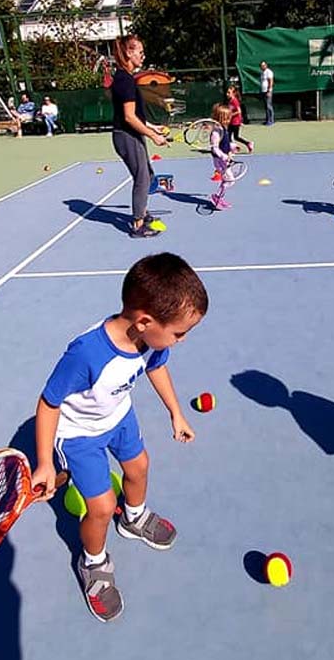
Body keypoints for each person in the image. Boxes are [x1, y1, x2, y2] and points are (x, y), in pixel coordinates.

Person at [30, 253, 208, 622]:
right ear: (144, 321)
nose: (183, 340)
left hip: (119, 416)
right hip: (79, 435)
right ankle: (93, 564)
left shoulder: (149, 343)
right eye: (179, 332)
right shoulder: (86, 354)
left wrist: (175, 412)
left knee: (140, 467)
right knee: (99, 506)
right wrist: (46, 462)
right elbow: (49, 403)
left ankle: (134, 518)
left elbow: (157, 370)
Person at [110, 35, 167, 238]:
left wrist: (152, 127)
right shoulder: (124, 80)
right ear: (128, 53)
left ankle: (142, 212)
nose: (143, 56)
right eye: (140, 52)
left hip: (131, 133)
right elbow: (128, 117)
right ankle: (138, 225)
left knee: (147, 174)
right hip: (126, 136)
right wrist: (153, 136)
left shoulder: (126, 78)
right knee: (142, 178)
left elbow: (136, 116)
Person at [208, 103, 236, 211]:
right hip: (219, 160)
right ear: (219, 118)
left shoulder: (224, 128)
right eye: (225, 117)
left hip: (224, 159)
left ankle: (219, 197)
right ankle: (217, 197)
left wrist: (232, 147)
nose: (228, 120)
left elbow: (225, 143)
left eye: (229, 117)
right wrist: (223, 156)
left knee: (226, 180)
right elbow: (214, 147)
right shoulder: (216, 131)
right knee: (230, 180)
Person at [227, 85, 254, 153]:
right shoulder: (230, 101)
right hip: (232, 121)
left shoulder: (234, 101)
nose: (227, 94)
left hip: (235, 122)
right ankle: (245, 144)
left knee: (232, 136)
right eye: (227, 92)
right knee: (232, 136)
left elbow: (239, 111)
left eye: (229, 92)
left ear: (233, 93)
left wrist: (231, 115)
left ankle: (238, 146)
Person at [259, 60, 275, 126]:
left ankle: (271, 120)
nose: (263, 66)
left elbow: (271, 81)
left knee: (269, 106)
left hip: (268, 91)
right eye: (261, 66)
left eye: (264, 65)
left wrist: (269, 91)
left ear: (266, 65)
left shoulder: (269, 72)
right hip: (263, 91)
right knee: (266, 106)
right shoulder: (262, 73)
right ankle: (267, 120)